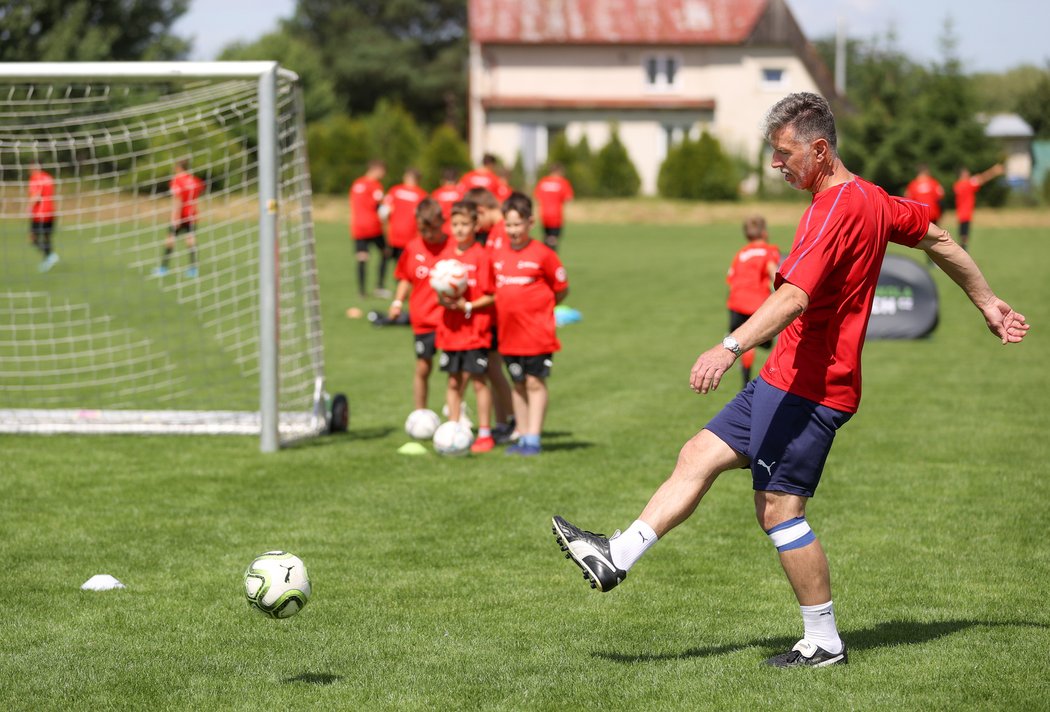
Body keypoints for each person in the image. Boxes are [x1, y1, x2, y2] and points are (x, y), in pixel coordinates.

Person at [552, 92, 1028, 669]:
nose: (777, 166)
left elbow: (794, 296)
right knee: (698, 453)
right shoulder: (875, 199)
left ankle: (824, 642)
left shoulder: (834, 209)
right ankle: (616, 557)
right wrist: (988, 303)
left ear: (820, 150)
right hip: (783, 376)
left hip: (813, 387)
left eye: (784, 154)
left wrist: (729, 346)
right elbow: (940, 239)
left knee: (780, 511)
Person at [493, 192, 570, 456]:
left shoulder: (543, 254)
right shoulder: (498, 254)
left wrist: (541, 308)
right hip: (508, 334)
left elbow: (561, 288)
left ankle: (534, 438)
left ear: (530, 223)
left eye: (517, 224)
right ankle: (523, 436)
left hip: (537, 333)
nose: (512, 230)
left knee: (535, 383)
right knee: (517, 383)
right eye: (508, 224)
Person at [436, 200, 498, 453]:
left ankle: (485, 432)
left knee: (479, 381)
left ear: (476, 225)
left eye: (465, 224)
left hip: (475, 332)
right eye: (456, 224)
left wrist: (469, 306)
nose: (460, 229)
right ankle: (453, 426)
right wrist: (444, 298)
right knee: (452, 382)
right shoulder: (446, 256)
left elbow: (492, 295)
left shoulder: (482, 256)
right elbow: (438, 287)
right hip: (451, 331)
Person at [462, 187, 516, 440]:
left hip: (503, 310)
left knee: (495, 369)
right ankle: (503, 421)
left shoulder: (505, 231)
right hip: (494, 311)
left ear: (481, 210)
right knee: (492, 368)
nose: (476, 226)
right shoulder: (495, 231)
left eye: (476, 219)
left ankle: (514, 420)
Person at [388, 198, 449, 411]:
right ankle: (420, 412)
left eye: (432, 230)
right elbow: (405, 277)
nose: (428, 235)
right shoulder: (413, 248)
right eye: (423, 230)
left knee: (456, 370)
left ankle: (454, 411)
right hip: (423, 318)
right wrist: (397, 302)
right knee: (423, 367)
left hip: (451, 320)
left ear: (442, 221)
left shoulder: (454, 246)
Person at [726, 215, 780, 387]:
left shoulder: (741, 254)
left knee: (742, 344)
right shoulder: (768, 250)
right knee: (762, 341)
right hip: (757, 305)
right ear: (764, 233)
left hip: (736, 304)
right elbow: (773, 272)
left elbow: (731, 278)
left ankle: (744, 383)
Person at [155, 159, 205, 278]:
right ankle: (193, 269)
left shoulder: (177, 180)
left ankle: (163, 268)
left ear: (178, 168)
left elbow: (177, 200)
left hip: (180, 214)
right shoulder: (195, 180)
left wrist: (175, 218)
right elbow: (198, 194)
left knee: (170, 239)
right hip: (191, 214)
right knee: (190, 239)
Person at [349, 160, 391, 298]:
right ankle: (379, 287)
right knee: (385, 252)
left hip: (358, 227)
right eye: (383, 171)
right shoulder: (375, 185)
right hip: (373, 227)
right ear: (376, 169)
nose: (383, 175)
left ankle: (362, 292)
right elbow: (379, 207)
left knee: (362, 257)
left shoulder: (356, 183)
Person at [953, 163, 1004, 251]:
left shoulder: (957, 185)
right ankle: (963, 254)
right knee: (964, 237)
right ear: (963, 174)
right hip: (966, 213)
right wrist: (994, 170)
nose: (969, 174)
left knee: (962, 235)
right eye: (967, 173)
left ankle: (962, 252)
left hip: (960, 213)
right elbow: (983, 178)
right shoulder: (967, 183)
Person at [382, 167, 429, 263]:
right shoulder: (422, 195)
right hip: (411, 237)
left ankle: (380, 278)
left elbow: (383, 213)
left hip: (393, 235)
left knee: (387, 262)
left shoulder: (394, 190)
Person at [534, 163, 575, 251]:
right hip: (556, 215)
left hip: (544, 214)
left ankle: (544, 258)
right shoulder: (562, 182)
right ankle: (550, 260)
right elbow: (569, 198)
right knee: (553, 239)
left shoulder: (543, 181)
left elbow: (537, 198)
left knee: (546, 237)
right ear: (559, 171)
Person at [27, 161, 58, 272]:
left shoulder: (35, 178)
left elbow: (36, 195)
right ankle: (48, 259)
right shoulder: (48, 177)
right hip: (50, 212)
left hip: (39, 214)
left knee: (33, 238)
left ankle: (50, 256)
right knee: (46, 238)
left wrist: (29, 207)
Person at [432, 168, 464, 236]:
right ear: (457, 179)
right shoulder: (462, 194)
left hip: (440, 233)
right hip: (458, 232)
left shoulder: (436, 194)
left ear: (442, 181)